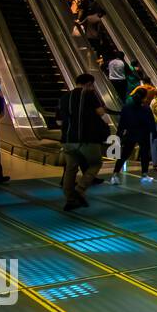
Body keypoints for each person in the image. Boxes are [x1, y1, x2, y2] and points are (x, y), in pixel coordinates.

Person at [56, 73, 110, 210]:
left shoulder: (64, 97)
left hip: (67, 140)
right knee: (95, 163)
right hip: (87, 138)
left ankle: (70, 199)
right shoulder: (89, 94)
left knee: (70, 168)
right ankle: (80, 190)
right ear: (89, 83)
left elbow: (58, 121)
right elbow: (100, 113)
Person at [111, 87, 155, 184]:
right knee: (144, 155)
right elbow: (151, 122)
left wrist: (119, 134)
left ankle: (115, 174)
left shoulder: (126, 107)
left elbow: (122, 123)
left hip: (130, 133)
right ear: (144, 97)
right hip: (144, 134)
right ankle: (144, 174)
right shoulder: (146, 108)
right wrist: (154, 133)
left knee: (124, 155)